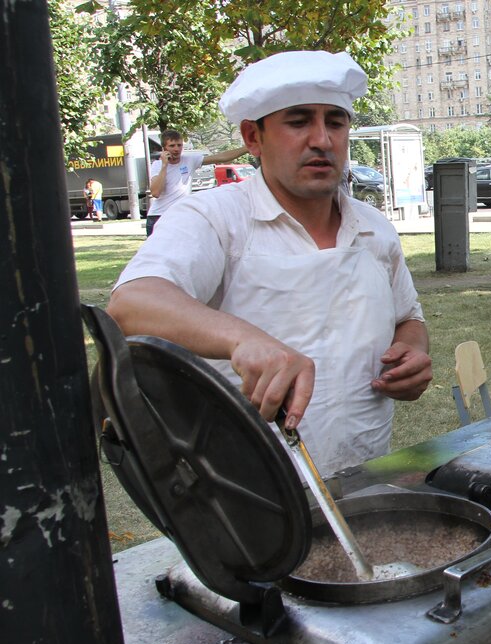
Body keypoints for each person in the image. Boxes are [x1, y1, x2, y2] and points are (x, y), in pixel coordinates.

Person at [108, 50, 432, 477]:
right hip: (248, 495)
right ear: (253, 137)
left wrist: (412, 352)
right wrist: (243, 340)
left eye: (335, 121)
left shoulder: (374, 228)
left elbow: (407, 317)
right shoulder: (215, 217)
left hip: (365, 481)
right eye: (298, 121)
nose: (322, 139)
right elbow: (132, 304)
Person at [145, 130, 247, 236]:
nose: (176, 149)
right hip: (158, 216)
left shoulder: (189, 160)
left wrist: (247, 148)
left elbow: (221, 157)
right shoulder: (158, 165)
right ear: (164, 148)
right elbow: (155, 192)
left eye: (179, 145)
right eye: (172, 146)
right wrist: (164, 166)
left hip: (181, 215)